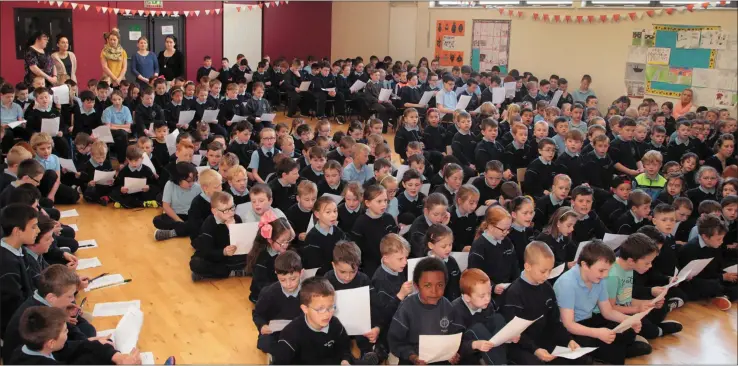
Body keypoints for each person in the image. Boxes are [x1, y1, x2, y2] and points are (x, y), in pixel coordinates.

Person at [553, 241, 651, 364]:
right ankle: (615, 352)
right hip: (571, 329)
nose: (605, 275)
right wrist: (597, 333)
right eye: (601, 271)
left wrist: (628, 320)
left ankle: (613, 351)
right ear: (584, 265)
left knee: (627, 330)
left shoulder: (599, 279)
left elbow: (608, 311)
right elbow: (568, 324)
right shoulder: (567, 283)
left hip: (589, 320)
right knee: (598, 347)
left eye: (607, 271)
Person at [502, 241, 590, 365]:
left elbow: (554, 321)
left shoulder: (547, 287)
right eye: (543, 271)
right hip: (521, 345)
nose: (547, 275)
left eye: (550, 270)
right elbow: (514, 333)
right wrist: (535, 350)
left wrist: (568, 340)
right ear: (528, 266)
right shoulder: (514, 293)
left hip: (544, 340)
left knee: (582, 360)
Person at [388, 257, 465, 364]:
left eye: (440, 285)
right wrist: (413, 357)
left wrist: (454, 353)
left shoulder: (448, 307)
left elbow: (455, 336)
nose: (434, 291)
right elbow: (395, 342)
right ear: (416, 286)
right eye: (427, 285)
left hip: (441, 360)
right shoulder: (406, 308)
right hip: (412, 360)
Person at [271, 277, 354, 365]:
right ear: (305, 309)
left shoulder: (335, 323)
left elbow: (345, 349)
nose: (327, 314)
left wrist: (345, 360)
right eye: (320, 309)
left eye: (331, 307)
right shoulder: (290, 335)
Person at [253, 250, 304, 355]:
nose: (288, 284)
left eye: (293, 279)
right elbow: (258, 314)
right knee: (265, 342)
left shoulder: (308, 291)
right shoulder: (269, 292)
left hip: (300, 331)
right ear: (276, 274)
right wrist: (262, 326)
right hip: (276, 333)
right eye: (283, 280)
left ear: (301, 273)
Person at [0, 204, 39, 336]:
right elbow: (15, 311)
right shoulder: (7, 265)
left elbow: (34, 280)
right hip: (18, 327)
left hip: (30, 309)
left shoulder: (18, 248)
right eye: (33, 227)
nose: (38, 230)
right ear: (17, 231)